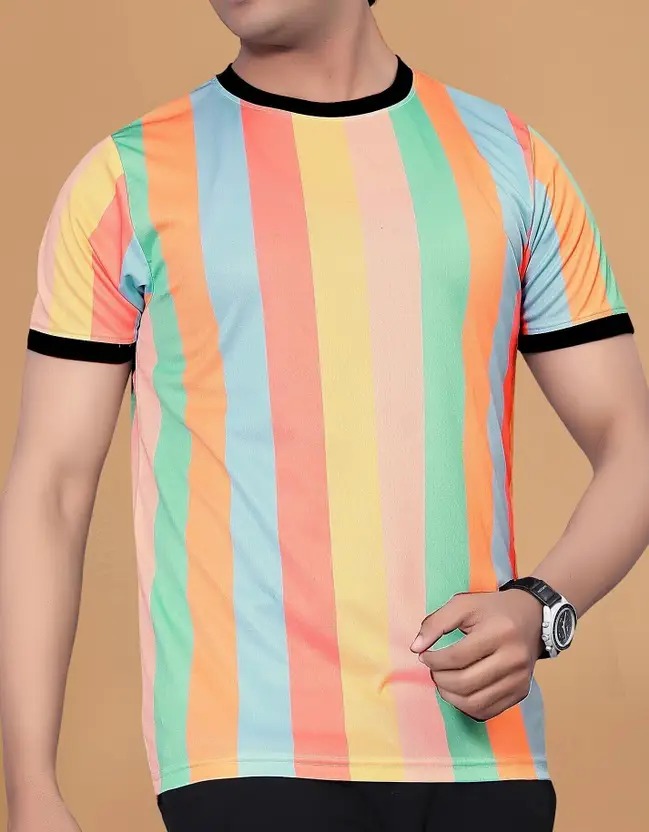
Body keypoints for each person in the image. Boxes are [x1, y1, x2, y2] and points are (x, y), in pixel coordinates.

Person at [1, 0, 648, 830]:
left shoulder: (512, 163)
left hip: (485, 755)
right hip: (244, 760)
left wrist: (541, 608)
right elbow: (51, 489)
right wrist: (30, 785)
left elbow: (631, 443)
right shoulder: (127, 179)